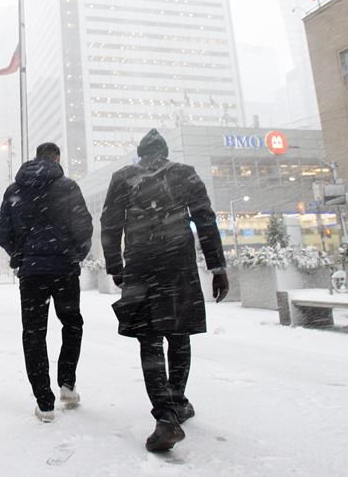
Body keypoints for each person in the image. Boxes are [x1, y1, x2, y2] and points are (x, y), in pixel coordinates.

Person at [100, 129, 229, 453]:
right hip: (178, 264)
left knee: (150, 338)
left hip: (141, 263)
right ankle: (177, 401)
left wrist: (116, 265)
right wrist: (217, 267)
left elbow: (110, 224)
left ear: (140, 153)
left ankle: (166, 415)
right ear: (165, 152)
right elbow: (205, 219)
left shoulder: (124, 178)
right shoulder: (184, 174)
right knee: (179, 333)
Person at [0, 142, 93, 422]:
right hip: (63, 270)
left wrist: (20, 254)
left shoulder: (16, 190)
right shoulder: (68, 187)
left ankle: (44, 403)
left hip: (32, 272)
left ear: (36, 158)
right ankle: (67, 384)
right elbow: (84, 226)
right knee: (72, 323)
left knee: (34, 333)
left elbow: (1, 229)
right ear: (57, 158)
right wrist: (75, 254)